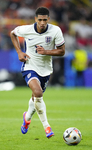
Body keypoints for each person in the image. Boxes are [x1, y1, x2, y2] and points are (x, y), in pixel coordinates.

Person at [10, 7, 65, 139]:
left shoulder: (55, 31)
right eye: (39, 20)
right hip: (30, 66)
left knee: (35, 98)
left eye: (44, 20)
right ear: (35, 19)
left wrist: (46, 51)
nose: (42, 23)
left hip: (46, 70)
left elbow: (62, 51)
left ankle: (27, 118)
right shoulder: (26, 30)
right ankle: (47, 126)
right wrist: (19, 52)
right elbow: (13, 34)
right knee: (38, 93)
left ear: (48, 19)